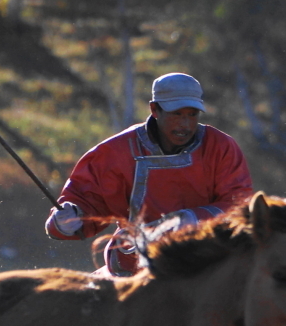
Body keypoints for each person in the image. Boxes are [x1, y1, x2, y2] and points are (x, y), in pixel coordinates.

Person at [45, 72, 255, 275]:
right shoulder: (116, 151)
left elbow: (240, 205)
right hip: (133, 264)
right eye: (177, 114)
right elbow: (85, 204)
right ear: (155, 109)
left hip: (208, 261)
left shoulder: (220, 146)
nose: (185, 124)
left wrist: (192, 219)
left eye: (192, 115)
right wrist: (67, 220)